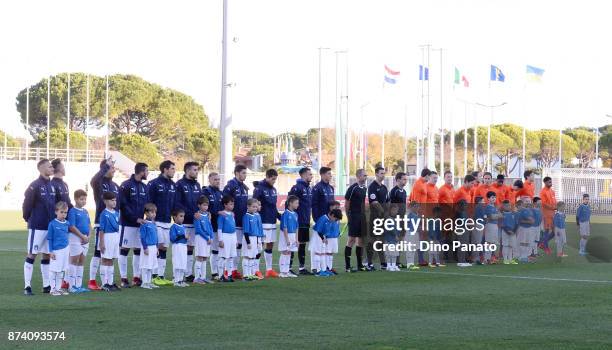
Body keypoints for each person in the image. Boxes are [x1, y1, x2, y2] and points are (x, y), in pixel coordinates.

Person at [22, 159, 56, 296]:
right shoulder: (34, 186)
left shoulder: (52, 186)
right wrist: (28, 219)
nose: (52, 168)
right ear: (42, 169)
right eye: (49, 166)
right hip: (37, 226)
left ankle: (46, 285)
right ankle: (27, 286)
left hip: (50, 226)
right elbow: (26, 204)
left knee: (46, 254)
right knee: (32, 254)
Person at [88, 158, 120, 291]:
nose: (114, 170)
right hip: (101, 223)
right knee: (98, 253)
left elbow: (120, 204)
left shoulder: (115, 186)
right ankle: (92, 280)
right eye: (112, 168)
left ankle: (108, 282)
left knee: (110, 256)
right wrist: (106, 165)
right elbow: (94, 180)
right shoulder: (98, 183)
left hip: (114, 226)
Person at [118, 162, 149, 288]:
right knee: (124, 250)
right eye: (147, 171)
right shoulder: (125, 185)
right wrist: (135, 218)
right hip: (127, 224)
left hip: (140, 224)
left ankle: (136, 277)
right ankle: (123, 278)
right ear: (141, 172)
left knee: (137, 251)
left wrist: (147, 218)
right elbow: (123, 205)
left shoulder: (144, 187)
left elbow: (147, 205)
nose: (147, 174)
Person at [147, 160, 176, 286]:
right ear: (165, 169)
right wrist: (151, 219)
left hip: (167, 222)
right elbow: (148, 202)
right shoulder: (154, 183)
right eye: (172, 168)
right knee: (157, 248)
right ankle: (153, 275)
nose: (174, 171)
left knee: (164, 248)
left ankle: (161, 275)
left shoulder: (173, 185)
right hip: (156, 221)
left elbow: (174, 203)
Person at [175, 161, 202, 283]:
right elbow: (178, 203)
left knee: (191, 247)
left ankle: (189, 273)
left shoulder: (197, 185)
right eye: (194, 170)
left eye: (197, 170)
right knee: (181, 248)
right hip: (184, 222)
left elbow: (200, 203)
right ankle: (179, 275)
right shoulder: (179, 184)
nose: (196, 172)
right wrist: (191, 214)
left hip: (195, 222)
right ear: (187, 171)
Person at [253, 169, 282, 278]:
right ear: (267, 177)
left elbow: (273, 206)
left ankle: (269, 270)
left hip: (272, 221)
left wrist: (279, 216)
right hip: (262, 221)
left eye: (275, 179)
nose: (274, 181)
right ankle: (256, 270)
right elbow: (254, 204)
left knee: (270, 245)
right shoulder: (259, 188)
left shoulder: (274, 190)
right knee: (259, 246)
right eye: (273, 179)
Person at [222, 165, 249, 280]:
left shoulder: (244, 187)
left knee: (238, 247)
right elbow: (224, 201)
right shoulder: (231, 186)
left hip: (242, 220)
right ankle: (226, 271)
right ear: (237, 173)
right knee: (232, 247)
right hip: (233, 222)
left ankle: (234, 270)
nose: (245, 175)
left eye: (246, 173)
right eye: (243, 173)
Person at [288, 167, 314, 275]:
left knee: (302, 244)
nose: (311, 176)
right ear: (303, 175)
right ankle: (288, 268)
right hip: (297, 221)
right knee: (294, 244)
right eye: (309, 174)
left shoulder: (309, 188)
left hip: (305, 220)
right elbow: (289, 203)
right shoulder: (296, 188)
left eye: (311, 174)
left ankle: (302, 268)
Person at [66, 190, 91, 293]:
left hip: (85, 239)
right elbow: (71, 226)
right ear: (76, 199)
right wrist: (82, 236)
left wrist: (88, 236)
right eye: (81, 199)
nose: (83, 201)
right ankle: (71, 286)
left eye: (85, 199)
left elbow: (89, 225)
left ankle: (79, 285)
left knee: (81, 262)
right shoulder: (72, 211)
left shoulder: (85, 211)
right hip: (75, 238)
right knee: (74, 261)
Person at [311, 166, 335, 272]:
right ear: (323, 174)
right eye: (329, 173)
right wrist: (317, 220)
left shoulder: (331, 188)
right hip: (320, 221)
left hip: (329, 221)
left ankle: (325, 267)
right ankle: (314, 268)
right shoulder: (317, 188)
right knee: (317, 246)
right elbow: (314, 205)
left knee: (325, 245)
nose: (331, 175)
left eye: (331, 174)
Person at [344, 169, 368, 272]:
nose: (365, 177)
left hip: (361, 217)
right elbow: (347, 203)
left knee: (361, 241)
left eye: (366, 175)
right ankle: (348, 267)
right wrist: (349, 216)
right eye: (364, 175)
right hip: (353, 216)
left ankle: (360, 265)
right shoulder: (352, 188)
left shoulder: (364, 188)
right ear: (358, 176)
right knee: (351, 240)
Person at [202, 172, 224, 280]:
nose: (217, 181)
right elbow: (204, 208)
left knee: (216, 249)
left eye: (218, 179)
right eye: (215, 179)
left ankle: (215, 272)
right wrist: (217, 212)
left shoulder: (220, 193)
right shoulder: (205, 192)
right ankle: (201, 274)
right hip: (207, 225)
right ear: (209, 180)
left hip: (218, 225)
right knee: (205, 251)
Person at [98, 191, 121, 292]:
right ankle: (104, 283)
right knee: (105, 259)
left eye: (115, 200)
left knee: (111, 260)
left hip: (115, 238)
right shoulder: (104, 214)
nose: (114, 202)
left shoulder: (116, 213)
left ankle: (110, 283)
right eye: (112, 200)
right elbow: (101, 229)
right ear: (106, 201)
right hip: (107, 237)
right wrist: (101, 242)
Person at [367, 166, 389, 270]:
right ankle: (369, 263)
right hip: (375, 217)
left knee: (381, 240)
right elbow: (374, 202)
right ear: (376, 174)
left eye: (384, 173)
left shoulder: (384, 188)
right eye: (381, 173)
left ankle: (383, 263)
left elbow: (388, 201)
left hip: (383, 218)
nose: (383, 175)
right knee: (372, 240)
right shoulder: (372, 187)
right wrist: (383, 212)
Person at [47, 201, 70, 296]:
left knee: (61, 270)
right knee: (54, 270)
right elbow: (50, 238)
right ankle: (52, 289)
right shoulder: (52, 224)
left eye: (65, 212)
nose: (63, 214)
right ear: (56, 212)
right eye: (61, 212)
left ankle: (58, 288)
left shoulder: (67, 223)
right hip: (56, 250)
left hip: (65, 250)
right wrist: (51, 251)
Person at [312, 208, 343, 277]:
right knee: (318, 253)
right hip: (318, 236)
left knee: (322, 253)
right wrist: (323, 238)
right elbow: (318, 231)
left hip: (322, 236)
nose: (336, 221)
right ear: (332, 215)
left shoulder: (329, 220)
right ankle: (317, 271)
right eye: (336, 219)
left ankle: (323, 270)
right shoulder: (323, 219)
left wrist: (324, 237)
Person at [242, 198, 264, 280]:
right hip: (249, 239)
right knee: (247, 256)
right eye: (253, 207)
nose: (255, 208)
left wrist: (259, 241)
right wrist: (248, 242)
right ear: (248, 206)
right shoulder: (246, 216)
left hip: (255, 239)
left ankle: (251, 274)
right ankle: (245, 275)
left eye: (256, 207)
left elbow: (258, 230)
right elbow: (246, 231)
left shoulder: (255, 216)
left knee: (252, 257)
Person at [194, 196, 214, 284]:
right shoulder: (197, 216)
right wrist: (206, 238)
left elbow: (210, 227)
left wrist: (211, 237)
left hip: (208, 239)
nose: (206, 207)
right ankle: (196, 278)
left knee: (205, 257)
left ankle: (203, 277)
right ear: (199, 205)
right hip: (201, 238)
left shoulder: (207, 215)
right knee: (199, 257)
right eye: (204, 205)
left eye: (207, 205)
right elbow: (198, 229)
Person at [217, 195, 237, 282]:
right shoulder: (222, 215)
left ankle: (229, 275)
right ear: (225, 205)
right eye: (230, 204)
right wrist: (220, 240)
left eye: (233, 204)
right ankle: (221, 275)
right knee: (223, 257)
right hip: (225, 237)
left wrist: (236, 240)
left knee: (231, 257)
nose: (232, 206)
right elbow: (219, 228)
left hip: (232, 237)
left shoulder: (232, 215)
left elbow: (234, 228)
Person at [139, 203, 159, 290]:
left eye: (155, 212)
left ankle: (149, 282)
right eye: (151, 212)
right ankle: (144, 282)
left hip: (154, 247)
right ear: (146, 213)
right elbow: (142, 237)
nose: (154, 214)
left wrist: (157, 247)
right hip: (147, 248)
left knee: (151, 266)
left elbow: (156, 236)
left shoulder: (154, 223)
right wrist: (145, 247)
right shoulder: (144, 224)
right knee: (145, 265)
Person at [279, 195, 299, 278]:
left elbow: (297, 227)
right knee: (285, 252)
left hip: (293, 235)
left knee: (289, 253)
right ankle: (282, 272)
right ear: (290, 203)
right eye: (296, 203)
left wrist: (297, 239)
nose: (298, 205)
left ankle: (287, 271)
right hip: (285, 236)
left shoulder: (295, 214)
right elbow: (284, 227)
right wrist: (287, 239)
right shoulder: (285, 214)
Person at [170, 208, 189, 287]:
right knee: (177, 263)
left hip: (183, 247)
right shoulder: (173, 227)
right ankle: (176, 280)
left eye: (183, 216)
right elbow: (173, 239)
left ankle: (181, 280)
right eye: (180, 216)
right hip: (177, 246)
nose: (182, 218)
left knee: (183, 263)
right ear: (175, 217)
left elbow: (184, 238)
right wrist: (183, 236)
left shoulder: (183, 227)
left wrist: (186, 238)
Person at [539, 176, 556, 255]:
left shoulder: (552, 191)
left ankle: (542, 243)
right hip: (546, 214)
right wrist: (553, 207)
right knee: (546, 231)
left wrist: (557, 207)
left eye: (551, 181)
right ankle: (546, 247)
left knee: (555, 231)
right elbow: (544, 203)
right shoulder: (543, 192)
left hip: (553, 214)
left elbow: (554, 202)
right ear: (545, 183)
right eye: (549, 182)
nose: (551, 183)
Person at [484, 191, 502, 264]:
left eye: (495, 197)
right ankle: (486, 259)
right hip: (490, 225)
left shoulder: (495, 207)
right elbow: (491, 217)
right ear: (488, 199)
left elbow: (500, 216)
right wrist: (496, 216)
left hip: (495, 225)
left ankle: (491, 258)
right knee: (489, 242)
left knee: (493, 242)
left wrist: (496, 216)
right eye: (492, 197)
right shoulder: (488, 207)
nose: (494, 199)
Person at [402, 202, 421, 270]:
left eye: (417, 207)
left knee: (413, 249)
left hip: (416, 233)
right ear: (411, 207)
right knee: (410, 249)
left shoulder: (417, 214)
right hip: (409, 233)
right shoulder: (408, 214)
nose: (417, 208)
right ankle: (409, 264)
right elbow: (405, 222)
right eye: (415, 206)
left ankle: (412, 264)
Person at [383, 204, 401, 271]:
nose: (395, 211)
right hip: (389, 239)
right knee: (389, 253)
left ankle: (393, 265)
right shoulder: (388, 219)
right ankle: (389, 265)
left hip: (394, 240)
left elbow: (396, 228)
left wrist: (398, 233)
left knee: (394, 253)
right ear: (390, 210)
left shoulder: (394, 219)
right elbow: (390, 229)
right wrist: (396, 235)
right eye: (394, 210)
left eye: (396, 210)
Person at [516, 199, 535, 263]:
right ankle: (522, 256)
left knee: (523, 242)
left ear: (520, 205)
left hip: (524, 228)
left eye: (517, 206)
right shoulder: (524, 211)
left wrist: (522, 221)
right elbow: (532, 220)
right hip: (525, 228)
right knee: (523, 242)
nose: (517, 208)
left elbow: (532, 221)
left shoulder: (524, 211)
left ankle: (523, 256)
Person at [500, 200, 518, 265]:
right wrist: (508, 231)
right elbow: (502, 225)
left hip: (513, 232)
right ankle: (505, 259)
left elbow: (516, 223)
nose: (508, 207)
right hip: (505, 232)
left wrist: (514, 231)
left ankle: (510, 259)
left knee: (511, 246)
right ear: (503, 206)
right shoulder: (502, 214)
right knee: (505, 245)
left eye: (509, 205)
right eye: (506, 206)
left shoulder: (513, 214)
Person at [455, 200, 472, 267]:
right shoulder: (459, 212)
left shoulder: (465, 212)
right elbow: (458, 222)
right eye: (464, 205)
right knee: (461, 245)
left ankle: (464, 260)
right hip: (461, 229)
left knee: (465, 245)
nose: (466, 206)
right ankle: (461, 261)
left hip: (465, 229)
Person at [472, 196, 486, 265]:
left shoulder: (475, 207)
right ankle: (476, 259)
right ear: (480, 201)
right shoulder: (480, 207)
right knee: (478, 242)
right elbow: (484, 216)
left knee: (476, 242)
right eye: (483, 201)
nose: (484, 202)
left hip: (475, 224)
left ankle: (476, 258)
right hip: (479, 225)